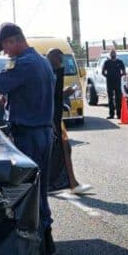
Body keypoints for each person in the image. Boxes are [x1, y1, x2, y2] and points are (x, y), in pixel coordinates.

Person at [0, 23, 57, 255]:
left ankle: (35, 247)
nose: (5, 53)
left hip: (28, 135)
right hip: (44, 133)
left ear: (13, 41)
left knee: (27, 192)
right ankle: (46, 238)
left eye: (5, 47)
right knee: (39, 190)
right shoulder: (42, 62)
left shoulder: (23, 64)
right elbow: (31, 92)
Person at [46, 48, 92, 195]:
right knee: (62, 149)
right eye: (60, 60)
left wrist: (64, 92)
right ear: (53, 58)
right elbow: (48, 95)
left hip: (54, 118)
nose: (62, 63)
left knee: (63, 149)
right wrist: (65, 92)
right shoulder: (48, 73)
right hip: (49, 119)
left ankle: (62, 184)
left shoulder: (52, 72)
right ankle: (70, 184)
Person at [101, 49, 126, 120]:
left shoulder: (120, 62)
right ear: (110, 54)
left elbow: (124, 71)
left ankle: (119, 114)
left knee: (118, 99)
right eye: (111, 53)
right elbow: (103, 72)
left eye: (114, 53)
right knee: (110, 99)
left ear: (116, 54)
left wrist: (119, 76)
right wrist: (108, 76)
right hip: (109, 83)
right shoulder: (107, 62)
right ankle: (111, 114)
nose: (113, 54)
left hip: (117, 83)